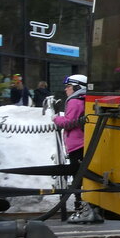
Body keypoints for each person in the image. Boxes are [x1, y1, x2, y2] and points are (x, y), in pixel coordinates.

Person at [52, 74, 100, 223]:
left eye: (68, 87)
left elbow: (69, 122)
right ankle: (91, 208)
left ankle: (81, 209)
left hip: (76, 145)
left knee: (77, 178)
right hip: (84, 144)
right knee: (85, 177)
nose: (66, 89)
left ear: (77, 87)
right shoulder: (85, 100)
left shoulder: (74, 101)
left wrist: (56, 119)